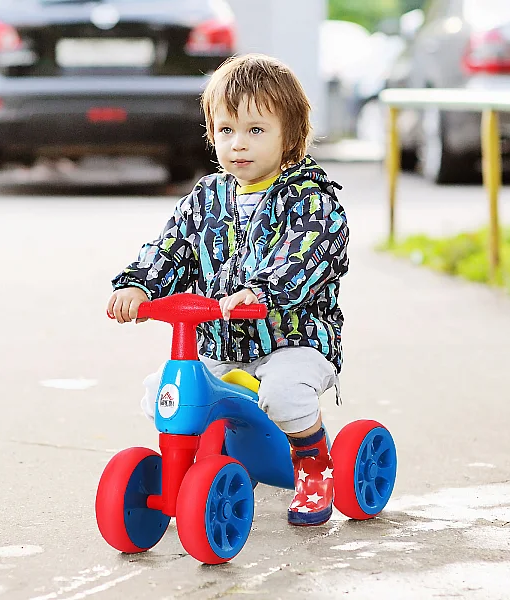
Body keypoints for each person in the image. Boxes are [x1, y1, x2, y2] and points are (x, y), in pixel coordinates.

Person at [106, 53, 349, 526]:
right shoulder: (206, 198)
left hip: (294, 340)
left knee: (283, 392)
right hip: (223, 343)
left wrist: (262, 291)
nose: (238, 143)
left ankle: (313, 464)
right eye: (226, 130)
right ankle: (200, 470)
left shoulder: (312, 201)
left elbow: (307, 253)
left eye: (256, 130)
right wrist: (139, 285)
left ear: (290, 136)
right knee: (167, 392)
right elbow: (171, 247)